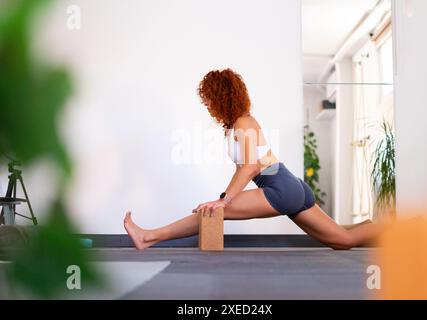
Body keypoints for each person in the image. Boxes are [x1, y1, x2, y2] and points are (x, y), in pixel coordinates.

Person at [124, 68, 384, 250]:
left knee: (210, 212)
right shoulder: (236, 124)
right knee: (342, 240)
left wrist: (223, 200)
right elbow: (247, 168)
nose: (207, 105)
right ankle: (386, 230)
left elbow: (250, 166)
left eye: (209, 99)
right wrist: (225, 196)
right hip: (287, 185)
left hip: (281, 188)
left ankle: (148, 237)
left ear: (220, 97)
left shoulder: (243, 122)